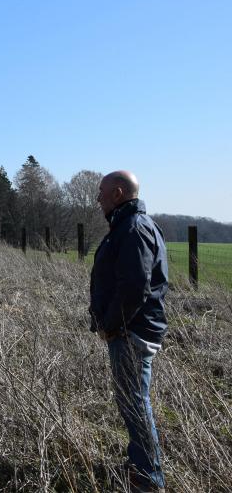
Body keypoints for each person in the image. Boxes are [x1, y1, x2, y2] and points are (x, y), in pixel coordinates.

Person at [90, 170, 168, 492]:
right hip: (131, 330)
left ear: (118, 193)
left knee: (135, 403)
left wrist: (111, 326)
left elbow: (135, 287)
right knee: (133, 401)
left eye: (101, 192)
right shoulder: (129, 225)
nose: (97, 199)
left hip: (130, 333)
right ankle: (140, 467)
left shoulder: (133, 228)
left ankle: (148, 479)